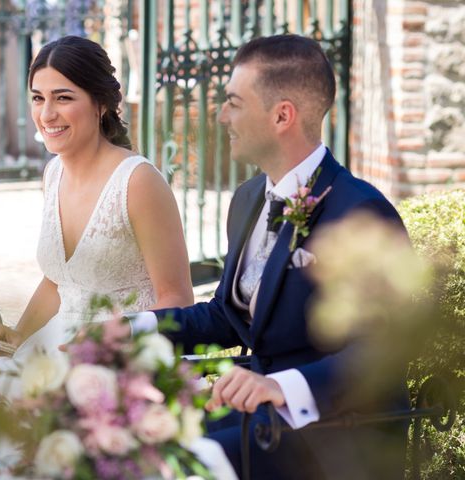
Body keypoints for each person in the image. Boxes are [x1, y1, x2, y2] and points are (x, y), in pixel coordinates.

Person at [129, 34, 409, 479]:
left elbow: (382, 353)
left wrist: (279, 385)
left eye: (234, 103)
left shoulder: (361, 212)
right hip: (253, 416)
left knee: (179, 463)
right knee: (130, 440)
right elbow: (228, 315)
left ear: (282, 115)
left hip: (332, 433)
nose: (222, 116)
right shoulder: (246, 200)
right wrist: (131, 330)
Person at [0, 36, 193, 360]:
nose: (47, 113)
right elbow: (59, 282)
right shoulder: (53, 175)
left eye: (63, 98)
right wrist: (17, 334)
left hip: (122, 363)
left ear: (101, 104)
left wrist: (109, 346)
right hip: (56, 352)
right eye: (38, 98)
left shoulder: (137, 182)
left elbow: (177, 301)